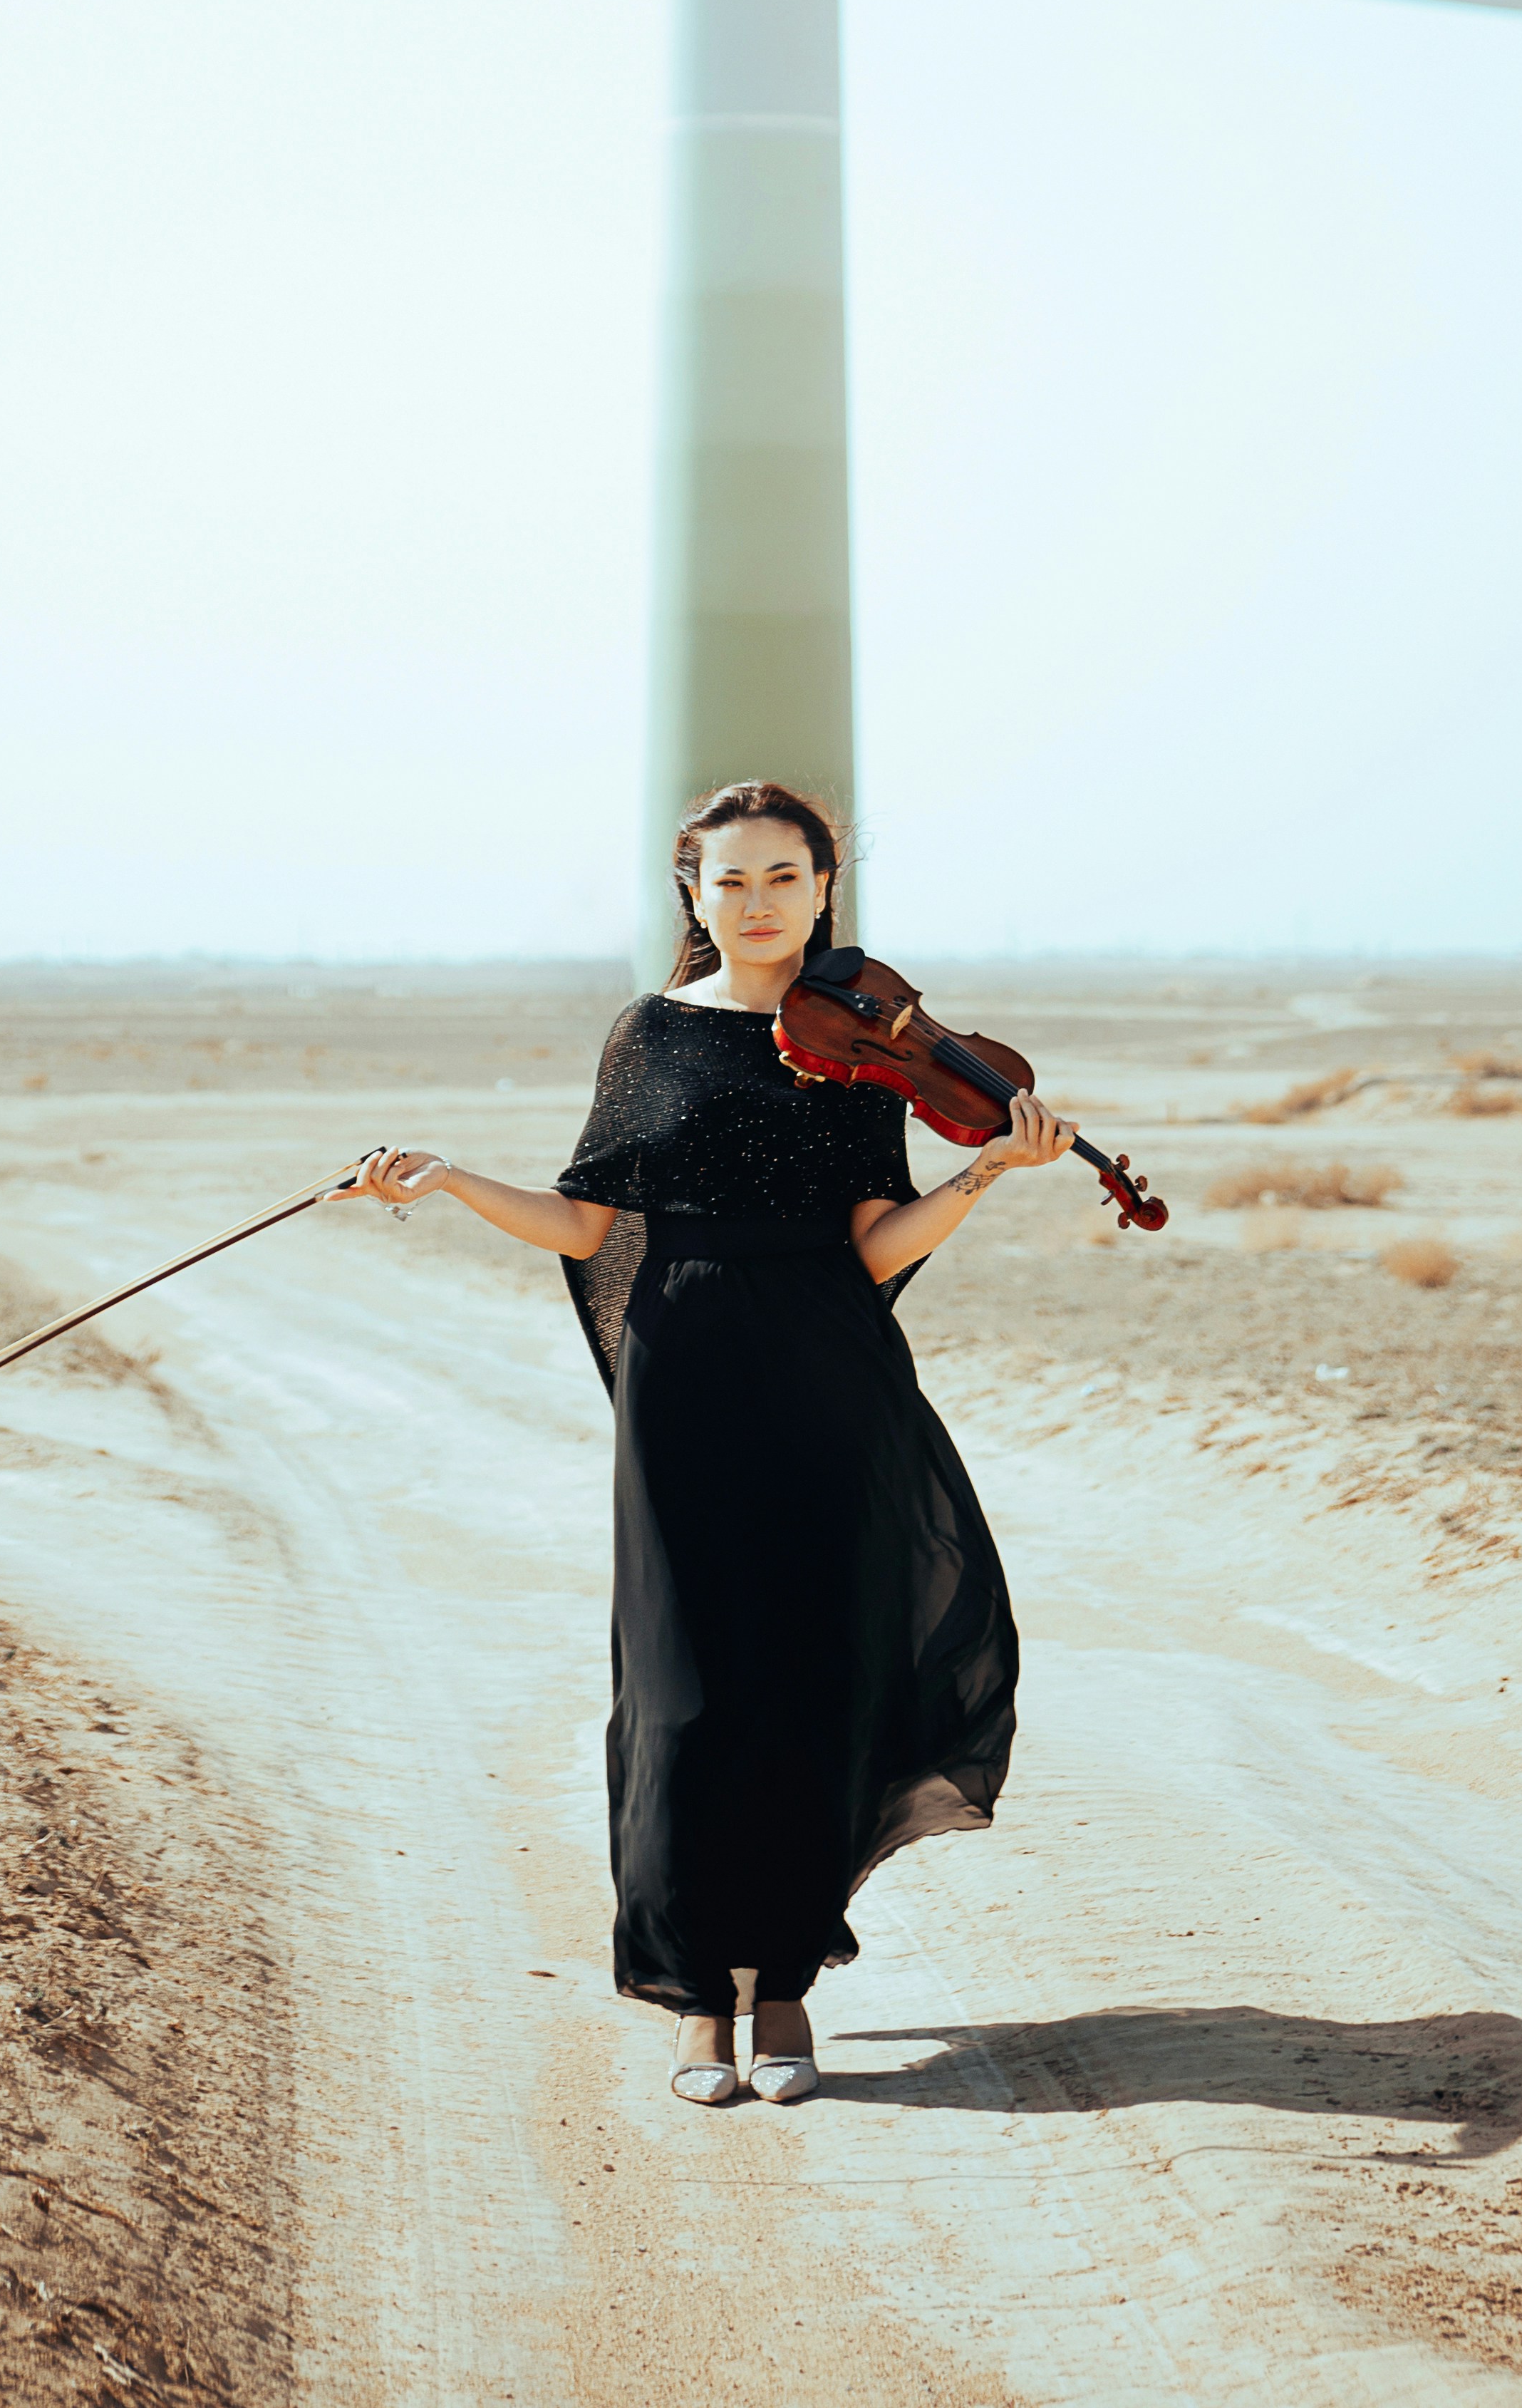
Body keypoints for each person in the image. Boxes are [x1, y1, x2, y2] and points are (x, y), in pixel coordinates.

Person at [331, 776, 1072, 2107]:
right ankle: (692, 1999)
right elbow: (586, 1221)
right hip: (682, 1371)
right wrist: (450, 1180)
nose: (758, 901)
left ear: (824, 888)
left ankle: (781, 1983)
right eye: (730, 878)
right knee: (681, 1685)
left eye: (783, 875)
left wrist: (980, 1174)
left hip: (829, 1370)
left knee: (810, 1672)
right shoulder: (650, 1032)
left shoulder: (859, 1043)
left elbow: (873, 1247)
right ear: (693, 892)